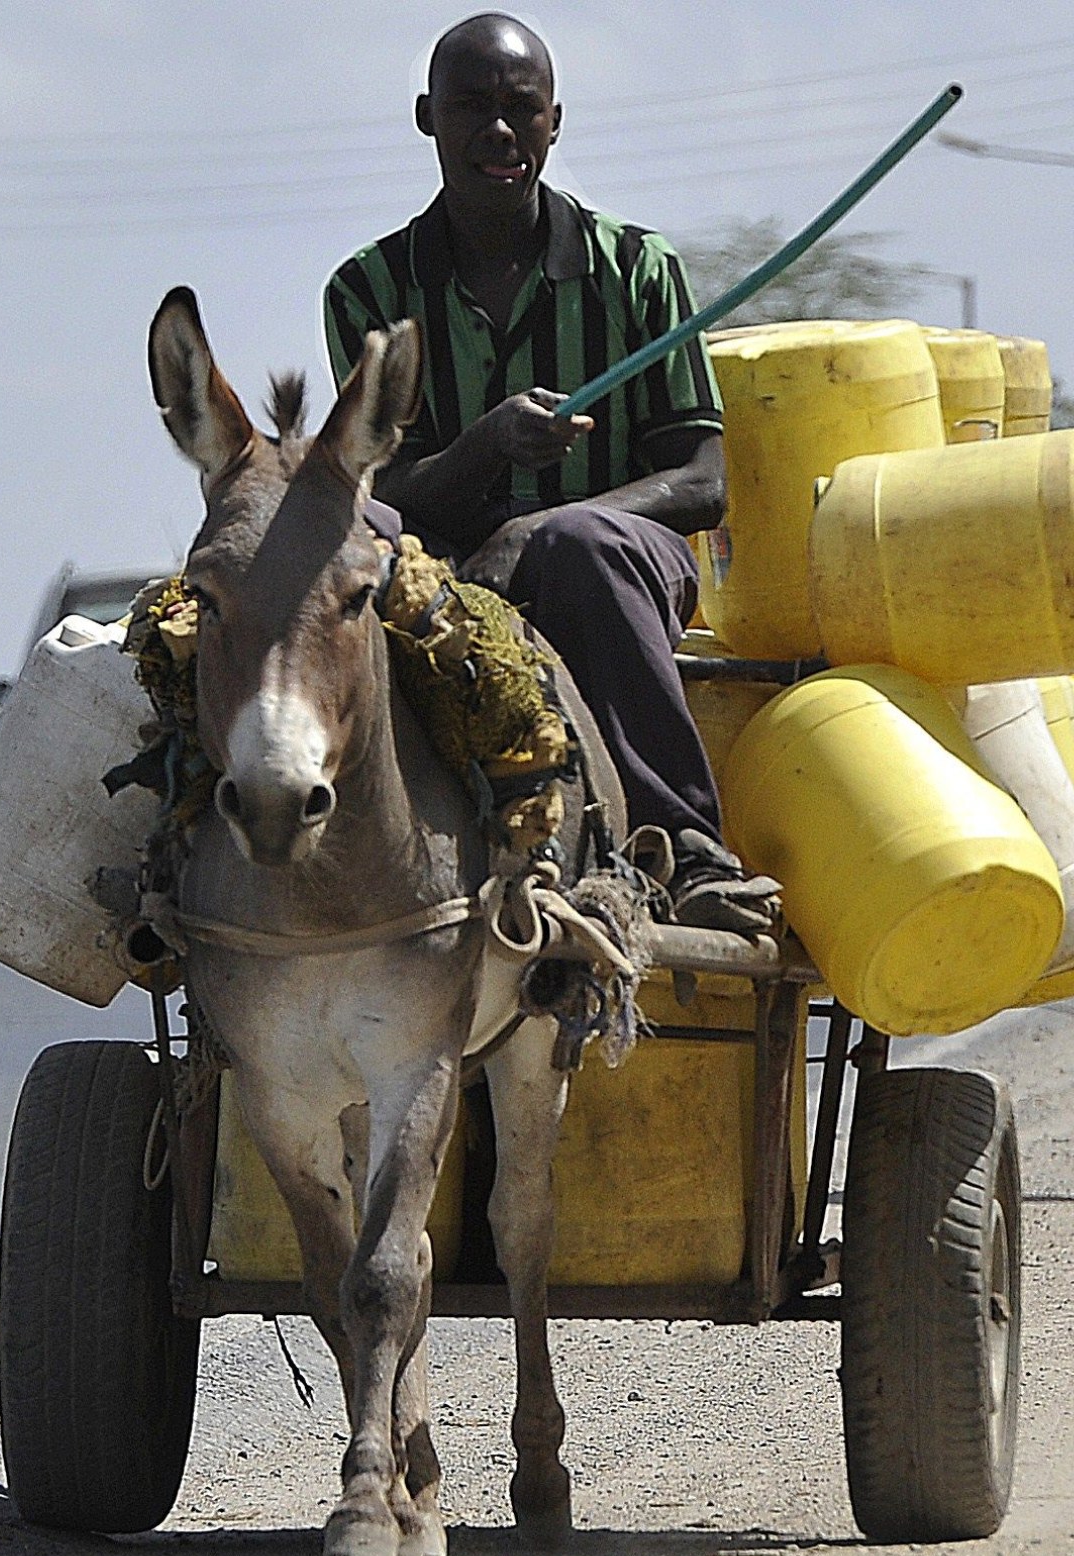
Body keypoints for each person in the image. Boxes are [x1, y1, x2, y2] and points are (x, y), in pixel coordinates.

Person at [323, 11, 780, 934]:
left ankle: (683, 849)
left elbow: (702, 477)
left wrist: (539, 527)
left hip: (616, 569)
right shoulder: (367, 292)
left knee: (578, 544)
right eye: (473, 108)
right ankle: (328, 853)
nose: (499, 131)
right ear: (428, 119)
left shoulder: (638, 270)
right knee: (340, 546)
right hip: (445, 568)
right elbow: (380, 486)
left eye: (520, 110)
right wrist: (482, 451)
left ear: (554, 123)